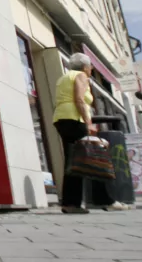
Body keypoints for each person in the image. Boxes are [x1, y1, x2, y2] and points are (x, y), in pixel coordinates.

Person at [52, 53, 97, 214]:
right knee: (79, 161)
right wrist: (89, 123)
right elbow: (79, 99)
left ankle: (70, 202)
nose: (91, 69)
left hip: (61, 118)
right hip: (74, 119)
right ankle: (75, 203)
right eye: (90, 66)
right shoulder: (81, 76)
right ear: (85, 67)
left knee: (71, 161)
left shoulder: (63, 78)